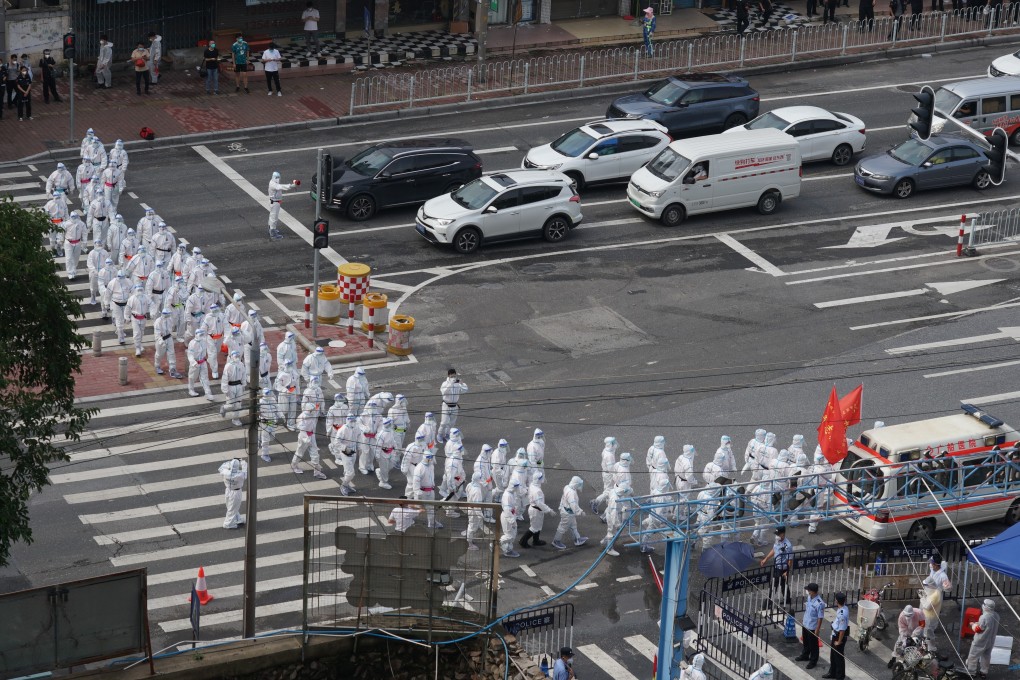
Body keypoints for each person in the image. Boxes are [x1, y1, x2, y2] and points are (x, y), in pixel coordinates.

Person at [965, 599, 1000, 678]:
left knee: (973, 655)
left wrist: (972, 624)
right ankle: (984, 672)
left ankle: (971, 672)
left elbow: (978, 629)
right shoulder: (996, 615)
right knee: (986, 656)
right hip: (990, 641)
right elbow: (989, 626)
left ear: (985, 607)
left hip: (980, 641)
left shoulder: (984, 617)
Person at [521, 470, 556, 548]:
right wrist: (549, 510)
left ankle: (536, 540)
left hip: (536, 509)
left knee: (538, 526)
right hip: (536, 510)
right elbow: (539, 503)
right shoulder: (537, 491)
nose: (542, 478)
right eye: (541, 477)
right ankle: (523, 541)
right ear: (538, 479)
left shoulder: (533, 485)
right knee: (534, 527)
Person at [760, 526, 793, 609]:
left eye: (778, 534)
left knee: (774, 584)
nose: (777, 535)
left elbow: (790, 559)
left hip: (783, 568)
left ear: (783, 534)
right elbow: (774, 550)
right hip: (777, 566)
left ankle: (769, 601)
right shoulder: (777, 540)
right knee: (783, 584)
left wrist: (787, 571)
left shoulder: (788, 545)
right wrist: (766, 559)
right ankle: (788, 598)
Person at [552, 476, 587, 550]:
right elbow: (573, 505)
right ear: (576, 484)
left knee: (573, 526)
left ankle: (577, 539)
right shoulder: (571, 493)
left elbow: (563, 498)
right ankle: (556, 541)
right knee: (562, 527)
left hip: (567, 511)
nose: (580, 486)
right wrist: (580, 512)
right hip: (568, 513)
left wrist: (561, 506)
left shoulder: (567, 487)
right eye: (579, 484)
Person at [292, 406, 327, 479]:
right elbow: (302, 429)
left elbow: (313, 425)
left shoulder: (313, 415)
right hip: (303, 437)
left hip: (311, 436)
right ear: (309, 410)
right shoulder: (301, 417)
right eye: (312, 410)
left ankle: (317, 471)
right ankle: (294, 466)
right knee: (299, 453)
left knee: (315, 454)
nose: (314, 411)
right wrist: (307, 440)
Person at [921, 557, 951, 642]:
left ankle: (930, 631)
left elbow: (948, 588)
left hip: (935, 596)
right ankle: (924, 628)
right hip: (928, 593)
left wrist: (946, 587)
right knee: (923, 614)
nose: (930, 565)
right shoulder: (933, 570)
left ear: (935, 564)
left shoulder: (943, 576)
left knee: (932, 615)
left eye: (931, 563)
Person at [796, 582, 825, 669]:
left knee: (813, 645)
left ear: (813, 591)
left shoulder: (820, 603)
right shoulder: (809, 597)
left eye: (809, 590)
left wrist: (817, 629)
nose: (808, 591)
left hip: (812, 626)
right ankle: (805, 655)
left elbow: (820, 617)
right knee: (806, 641)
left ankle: (813, 661)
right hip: (806, 623)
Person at [438, 367, 468, 443]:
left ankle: (447, 435)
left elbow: (465, 390)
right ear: (448, 376)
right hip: (446, 405)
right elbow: (444, 392)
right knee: (444, 422)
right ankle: (440, 435)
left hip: (454, 406)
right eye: (452, 376)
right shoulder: (445, 383)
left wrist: (462, 384)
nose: (453, 378)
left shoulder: (457, 384)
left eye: (454, 376)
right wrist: (450, 384)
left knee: (451, 423)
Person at [412, 450, 441, 529]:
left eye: (431, 458)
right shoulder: (419, 468)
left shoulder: (431, 465)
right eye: (429, 458)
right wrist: (418, 493)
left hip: (430, 491)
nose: (430, 459)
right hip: (422, 492)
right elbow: (415, 482)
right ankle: (409, 519)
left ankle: (431, 523)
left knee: (431, 508)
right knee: (418, 508)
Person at [267, 171, 298, 240]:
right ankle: (273, 234)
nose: (278, 179)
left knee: (272, 216)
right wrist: (291, 185)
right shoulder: (274, 184)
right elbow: (281, 187)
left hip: (275, 202)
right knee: (274, 218)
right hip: (274, 202)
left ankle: (271, 229)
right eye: (277, 177)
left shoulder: (273, 182)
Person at [218, 458, 248, 529]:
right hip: (236, 492)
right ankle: (228, 524)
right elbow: (246, 469)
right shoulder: (240, 475)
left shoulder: (225, 472)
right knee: (232, 508)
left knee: (231, 506)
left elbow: (221, 467)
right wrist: (242, 462)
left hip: (228, 491)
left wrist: (230, 462)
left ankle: (237, 518)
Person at [187, 328, 215, 400]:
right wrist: (193, 362)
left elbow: (207, 350)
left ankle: (208, 393)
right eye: (200, 335)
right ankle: (191, 389)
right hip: (195, 363)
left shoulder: (204, 341)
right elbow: (190, 354)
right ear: (196, 335)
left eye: (202, 335)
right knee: (192, 377)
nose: (201, 336)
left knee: (205, 378)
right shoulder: (192, 343)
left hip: (203, 362)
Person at [220, 351, 246, 427]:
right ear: (231, 357)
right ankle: (224, 407)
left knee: (238, 404)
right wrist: (225, 390)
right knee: (230, 405)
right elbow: (225, 379)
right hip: (231, 386)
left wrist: (243, 385)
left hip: (239, 386)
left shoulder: (241, 364)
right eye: (235, 356)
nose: (237, 357)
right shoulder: (228, 366)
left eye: (238, 356)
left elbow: (243, 374)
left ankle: (236, 419)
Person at [827, 592, 849, 680]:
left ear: (836, 601)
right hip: (835, 634)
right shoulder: (843, 608)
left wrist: (839, 642)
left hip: (839, 637)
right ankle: (832, 673)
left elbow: (842, 630)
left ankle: (840, 677)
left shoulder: (842, 614)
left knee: (838, 658)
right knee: (833, 656)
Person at [125, 284, 150, 357]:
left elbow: (152, 304)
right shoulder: (132, 299)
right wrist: (127, 317)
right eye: (138, 290)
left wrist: (153, 311)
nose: (140, 292)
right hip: (135, 318)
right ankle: (137, 348)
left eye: (141, 290)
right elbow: (127, 308)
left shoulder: (146, 298)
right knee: (136, 334)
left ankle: (139, 344)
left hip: (143, 318)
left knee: (141, 333)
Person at [499, 482, 522, 558]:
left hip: (511, 516)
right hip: (507, 517)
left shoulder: (511, 493)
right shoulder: (507, 496)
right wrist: (512, 521)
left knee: (512, 534)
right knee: (509, 535)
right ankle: (496, 543)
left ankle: (508, 549)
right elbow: (507, 510)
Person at [464, 471, 486, 550]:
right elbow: (477, 505)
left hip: (470, 507)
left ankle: (468, 537)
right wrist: (480, 515)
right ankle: (469, 543)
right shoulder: (477, 491)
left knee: (471, 524)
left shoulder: (470, 485)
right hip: (474, 511)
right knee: (473, 526)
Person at [400, 432, 427, 497]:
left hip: (420, 466)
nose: (421, 440)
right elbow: (406, 459)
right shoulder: (411, 447)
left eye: (422, 438)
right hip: (412, 466)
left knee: (419, 482)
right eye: (420, 439)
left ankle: (415, 496)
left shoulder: (424, 445)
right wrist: (404, 469)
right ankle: (408, 496)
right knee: (411, 482)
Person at [376, 417, 397, 489]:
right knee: (384, 469)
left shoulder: (391, 431)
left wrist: (395, 447)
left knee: (391, 465)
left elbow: (393, 440)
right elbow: (378, 446)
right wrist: (377, 455)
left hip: (391, 451)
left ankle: (380, 471)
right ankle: (383, 482)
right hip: (383, 453)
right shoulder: (381, 434)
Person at [86, 239, 109, 305]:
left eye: (100, 244)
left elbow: (107, 262)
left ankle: (104, 299)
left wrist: (104, 270)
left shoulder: (104, 252)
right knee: (93, 287)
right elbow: (89, 263)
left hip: (102, 273)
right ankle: (93, 297)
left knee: (103, 287)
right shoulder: (92, 253)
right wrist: (94, 270)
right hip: (94, 273)